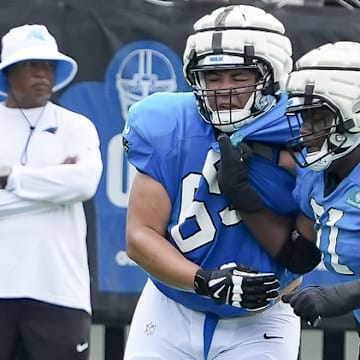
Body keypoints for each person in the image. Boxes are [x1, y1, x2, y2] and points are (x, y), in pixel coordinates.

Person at [122, 5, 313, 360]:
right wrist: (205, 281)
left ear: (273, 75)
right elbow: (140, 235)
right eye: (213, 77)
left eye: (239, 76)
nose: (224, 90)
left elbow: (304, 247)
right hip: (172, 305)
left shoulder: (302, 130)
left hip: (262, 315)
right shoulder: (168, 123)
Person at [218, 41, 360, 330]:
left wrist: (344, 295)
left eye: (318, 117)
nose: (305, 130)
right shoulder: (316, 173)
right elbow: (298, 255)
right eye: (305, 117)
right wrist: (242, 196)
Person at [0, 24, 102, 360]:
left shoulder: (77, 126)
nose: (42, 73)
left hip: (61, 294)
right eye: (31, 64)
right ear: (9, 71)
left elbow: (84, 183)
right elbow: (69, 186)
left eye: (48, 65)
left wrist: (11, 176)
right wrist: (55, 185)